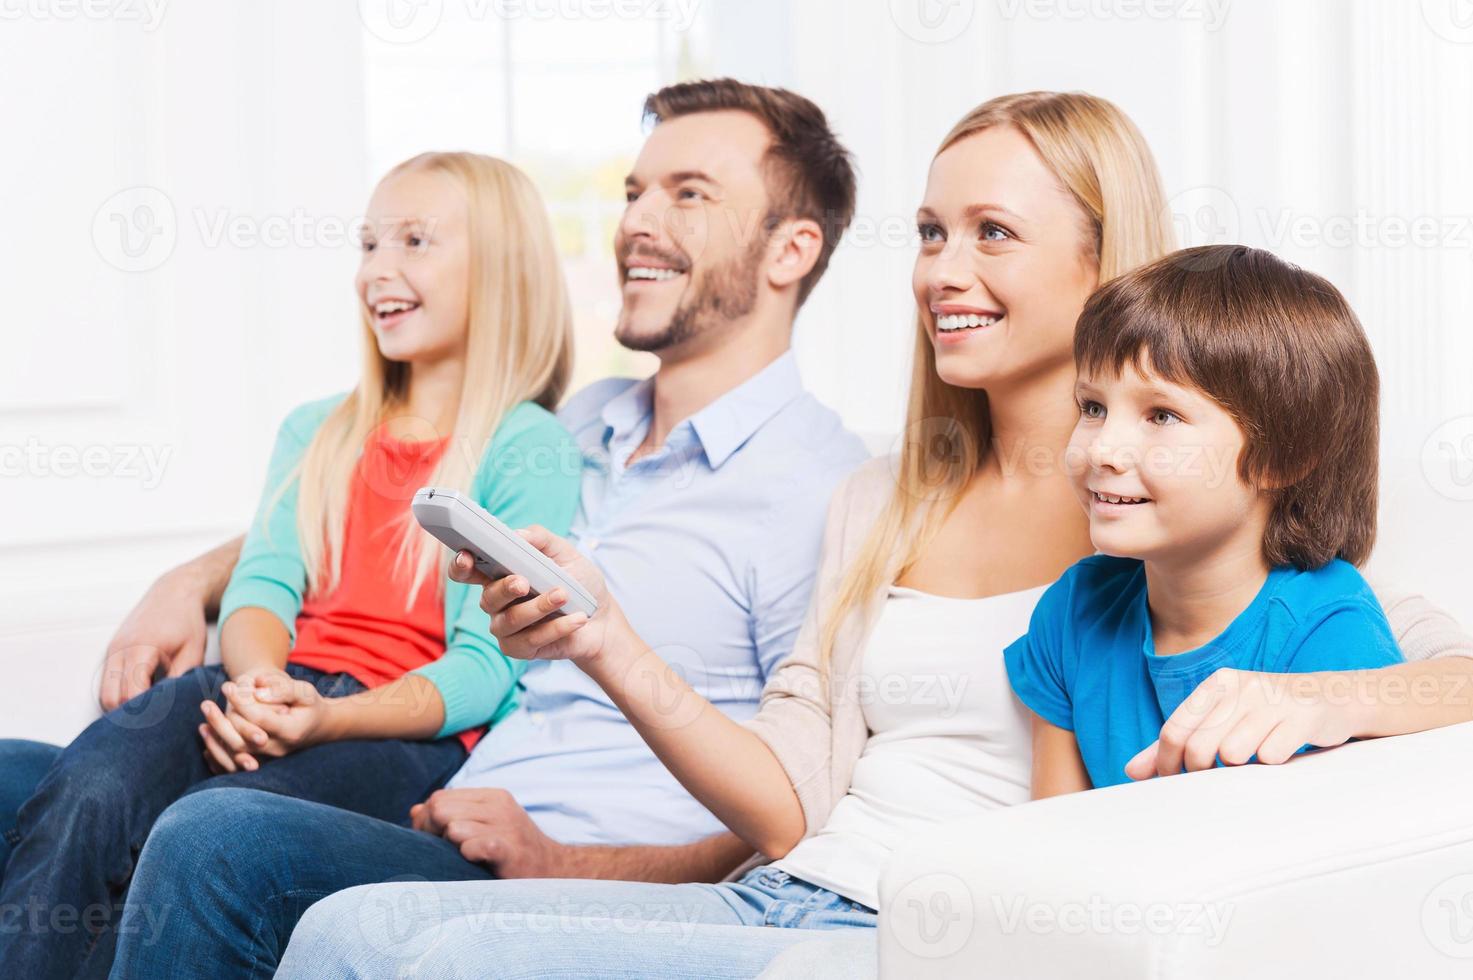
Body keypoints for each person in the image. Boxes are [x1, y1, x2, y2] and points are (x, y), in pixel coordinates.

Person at [278, 92, 1473, 979]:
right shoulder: (879, 499)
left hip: (920, 928)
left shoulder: (1173, 500)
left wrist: (1335, 702)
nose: (943, 270)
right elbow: (791, 803)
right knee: (346, 932)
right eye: (929, 231)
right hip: (789, 889)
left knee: (441, 966)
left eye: (992, 232)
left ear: (1103, 263)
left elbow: (1421, 668)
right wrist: (606, 641)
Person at [92, 79, 870, 979]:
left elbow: (809, 812)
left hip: (573, 873)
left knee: (218, 842)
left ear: (791, 249)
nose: (637, 223)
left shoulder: (820, 490)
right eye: (632, 192)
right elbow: (374, 493)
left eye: (688, 194)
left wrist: (567, 862)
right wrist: (193, 579)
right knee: (25, 783)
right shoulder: (576, 425)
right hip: (428, 801)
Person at [0, 151, 583, 980]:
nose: (377, 270)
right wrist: (260, 684)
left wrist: (324, 718)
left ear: (502, 269)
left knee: (203, 825)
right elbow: (262, 584)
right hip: (273, 683)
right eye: (368, 245)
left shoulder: (530, 447)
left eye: (414, 241)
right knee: (92, 781)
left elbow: (484, 670)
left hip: (404, 733)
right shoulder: (317, 429)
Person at [1009, 244, 1411, 797]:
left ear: (1281, 458)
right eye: (1093, 407)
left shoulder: (1326, 625)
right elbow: (1047, 838)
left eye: (1161, 415)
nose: (1103, 448)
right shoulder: (1074, 610)